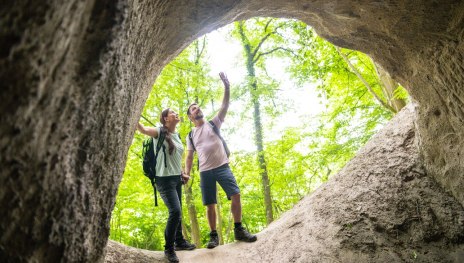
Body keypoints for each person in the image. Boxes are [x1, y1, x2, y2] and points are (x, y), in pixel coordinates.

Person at [185, 72, 257, 249]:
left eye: (198, 107)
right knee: (210, 205)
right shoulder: (190, 135)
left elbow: (224, 106)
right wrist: (186, 173)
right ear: (190, 117)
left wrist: (227, 87)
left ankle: (239, 230)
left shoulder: (213, 123)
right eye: (193, 109)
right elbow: (189, 155)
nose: (198, 109)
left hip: (222, 167)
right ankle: (213, 236)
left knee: (236, 195)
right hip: (205, 172)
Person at [136, 108, 195, 263]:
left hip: (176, 179)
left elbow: (174, 158)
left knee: (179, 211)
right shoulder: (159, 131)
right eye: (172, 112)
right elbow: (142, 129)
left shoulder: (177, 135)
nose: (176, 113)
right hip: (164, 180)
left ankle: (179, 241)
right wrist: (133, 112)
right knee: (175, 211)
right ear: (165, 118)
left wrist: (182, 173)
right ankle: (169, 249)